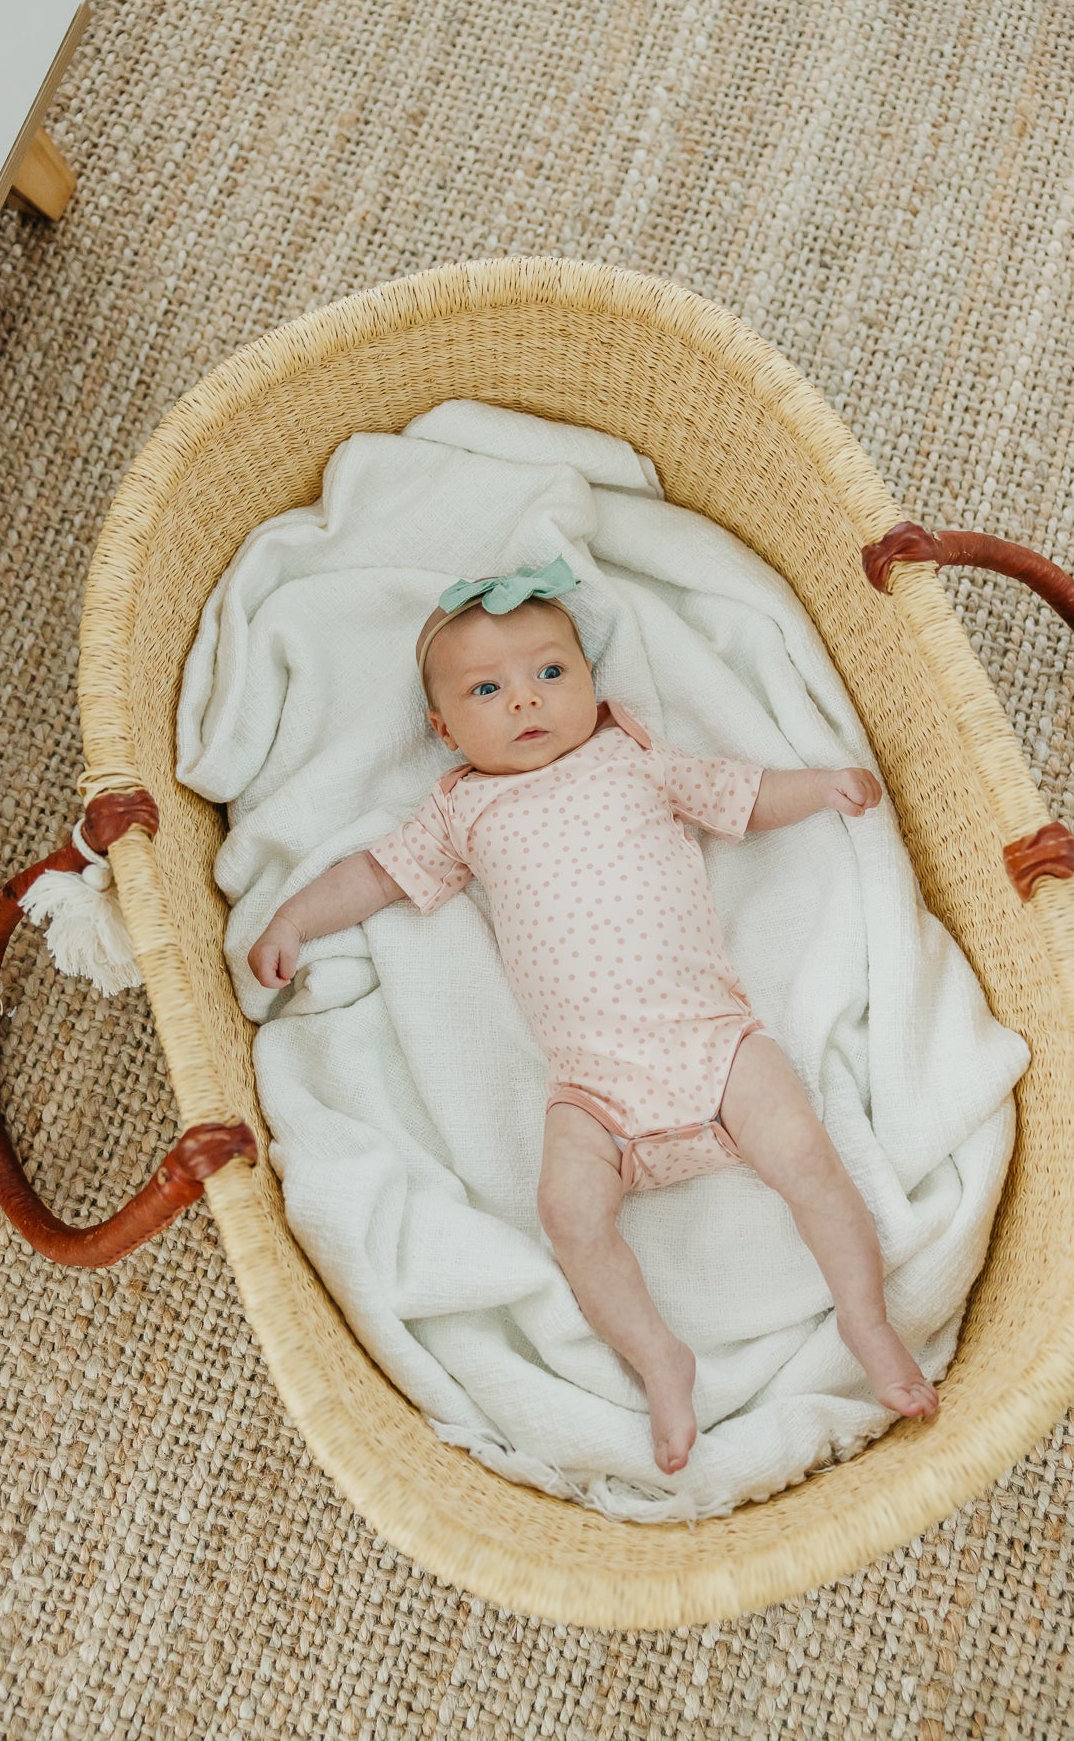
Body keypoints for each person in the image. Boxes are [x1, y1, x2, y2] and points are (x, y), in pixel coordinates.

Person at [249, 558, 939, 1475]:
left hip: (713, 1042)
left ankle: (864, 1318)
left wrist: (817, 786)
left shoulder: (633, 757)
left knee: (807, 1156)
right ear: (442, 729)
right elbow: (374, 875)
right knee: (567, 1213)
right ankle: (658, 1357)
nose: (525, 699)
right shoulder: (460, 811)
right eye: (486, 689)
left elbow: (737, 792)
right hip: (593, 1090)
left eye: (549, 671)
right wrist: (295, 919)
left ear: (590, 680)